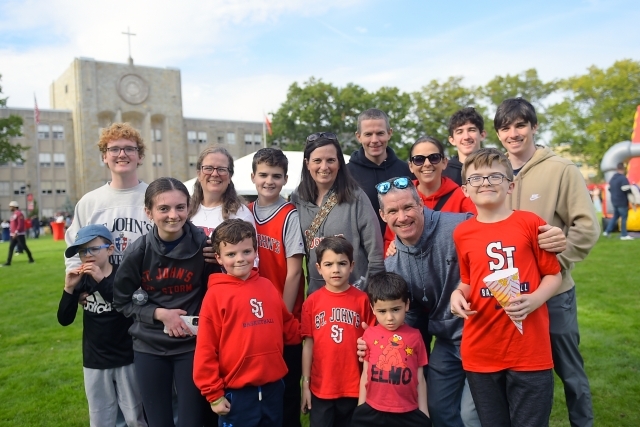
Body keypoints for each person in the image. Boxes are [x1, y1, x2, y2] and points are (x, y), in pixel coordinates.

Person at [369, 177, 567, 427]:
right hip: (447, 340)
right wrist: (380, 344)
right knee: (438, 408)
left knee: (473, 415)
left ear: (420, 204)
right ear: (382, 215)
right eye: (393, 211)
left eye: (408, 207)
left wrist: (549, 235)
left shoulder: (460, 227)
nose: (403, 217)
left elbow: (501, 228)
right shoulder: (394, 263)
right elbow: (410, 317)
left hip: (487, 333)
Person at [494, 97, 599, 427]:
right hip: (508, 295)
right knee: (515, 375)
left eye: (520, 125)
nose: (514, 133)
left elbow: (586, 226)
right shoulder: (493, 173)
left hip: (554, 296)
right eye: (505, 127)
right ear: (498, 134)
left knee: (570, 373)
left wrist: (558, 263)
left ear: (534, 127)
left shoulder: (561, 169)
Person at [451, 148, 562, 426]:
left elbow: (554, 275)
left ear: (510, 185)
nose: (486, 182)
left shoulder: (529, 223)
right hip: (482, 350)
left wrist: (535, 299)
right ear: (465, 189)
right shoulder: (463, 233)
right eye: (476, 178)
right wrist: (457, 295)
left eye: (494, 176)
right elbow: (468, 281)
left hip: (530, 351)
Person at [113, 178, 215, 427]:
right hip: (150, 346)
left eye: (180, 207)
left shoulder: (205, 247)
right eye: (164, 208)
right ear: (148, 212)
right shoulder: (138, 252)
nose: (173, 215)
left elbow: (215, 294)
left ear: (189, 207)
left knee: (193, 420)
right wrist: (159, 313)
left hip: (192, 346)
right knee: (158, 420)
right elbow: (121, 301)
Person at [193, 219, 301, 427]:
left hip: (273, 389)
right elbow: (206, 349)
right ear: (219, 258)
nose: (240, 259)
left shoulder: (267, 286)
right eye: (231, 254)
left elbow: (288, 326)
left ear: (255, 252)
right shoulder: (215, 295)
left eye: (246, 252)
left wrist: (314, 331)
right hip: (236, 394)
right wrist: (213, 393)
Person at [57, 224, 146, 427]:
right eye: (82, 251)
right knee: (100, 417)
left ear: (110, 249)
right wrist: (69, 289)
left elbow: (126, 307)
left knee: (134, 416)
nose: (88, 255)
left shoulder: (122, 276)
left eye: (93, 249)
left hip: (126, 356)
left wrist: (100, 279)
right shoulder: (81, 281)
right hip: (94, 360)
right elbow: (64, 319)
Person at [248, 147, 306, 427]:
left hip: (284, 317)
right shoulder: (246, 213)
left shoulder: (289, 215)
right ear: (253, 177)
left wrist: (280, 317)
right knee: (258, 388)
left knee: (286, 390)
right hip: (253, 316)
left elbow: (294, 272)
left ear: (285, 179)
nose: (269, 181)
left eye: (276, 176)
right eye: (263, 175)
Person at [291, 132, 384, 295]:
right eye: (317, 161)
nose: (324, 167)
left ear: (340, 163)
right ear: (307, 163)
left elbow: (375, 251)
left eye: (331, 160)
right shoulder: (297, 199)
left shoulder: (356, 197)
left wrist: (376, 291)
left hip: (355, 293)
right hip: (317, 296)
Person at [300, 236, 376, 427]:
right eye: (329, 264)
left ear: (351, 266)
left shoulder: (363, 300)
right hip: (321, 387)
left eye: (342, 263)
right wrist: (306, 386)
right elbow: (308, 346)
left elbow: (374, 343)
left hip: (354, 387)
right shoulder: (312, 302)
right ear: (318, 268)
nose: (336, 270)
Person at [65, 122, 150, 271]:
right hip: (99, 291)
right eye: (114, 149)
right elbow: (74, 252)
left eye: (129, 149)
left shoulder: (155, 197)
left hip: (147, 290)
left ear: (140, 156)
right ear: (104, 156)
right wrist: (78, 287)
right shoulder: (89, 202)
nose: (122, 154)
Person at [351, 271, 431, 427]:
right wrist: (361, 407)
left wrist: (424, 412)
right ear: (372, 308)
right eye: (382, 311)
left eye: (395, 309)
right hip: (373, 410)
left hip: (408, 412)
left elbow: (420, 379)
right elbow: (365, 375)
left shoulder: (415, 336)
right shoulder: (369, 335)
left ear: (406, 305)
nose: (389, 317)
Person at [383, 136, 476, 252]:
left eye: (434, 158)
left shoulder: (462, 197)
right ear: (411, 166)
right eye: (419, 159)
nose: (427, 164)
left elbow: (476, 234)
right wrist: (392, 247)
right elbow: (388, 241)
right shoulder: (400, 196)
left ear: (444, 162)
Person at [346, 108, 412, 238]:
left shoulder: (406, 171)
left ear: (389, 133)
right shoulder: (345, 174)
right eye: (368, 134)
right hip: (362, 252)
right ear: (358, 136)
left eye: (380, 133)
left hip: (401, 249)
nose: (375, 140)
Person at [189, 145, 255, 238]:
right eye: (208, 168)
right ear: (199, 174)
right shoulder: (185, 210)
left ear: (230, 177)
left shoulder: (241, 215)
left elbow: (249, 252)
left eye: (221, 169)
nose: (215, 174)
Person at [443, 107, 486, 186]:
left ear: (482, 135)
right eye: (459, 132)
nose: (466, 137)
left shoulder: (495, 168)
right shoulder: (443, 174)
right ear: (452, 140)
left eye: (471, 130)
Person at [603, 162, 635, 240]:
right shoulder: (623, 178)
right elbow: (626, 189)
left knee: (615, 216)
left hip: (614, 201)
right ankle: (624, 234)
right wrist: (632, 191)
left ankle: (607, 231)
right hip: (622, 201)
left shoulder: (613, 178)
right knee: (624, 217)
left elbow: (609, 189)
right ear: (623, 169)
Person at [2, 201, 34, 266]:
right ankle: (8, 262)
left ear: (14, 207)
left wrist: (16, 232)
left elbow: (20, 224)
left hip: (19, 234)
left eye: (10, 207)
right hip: (13, 234)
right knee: (11, 248)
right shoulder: (14, 214)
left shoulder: (19, 214)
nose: (9, 208)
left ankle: (31, 259)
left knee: (24, 247)